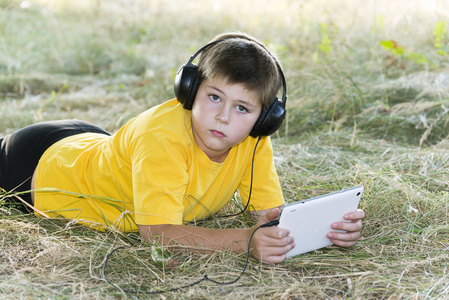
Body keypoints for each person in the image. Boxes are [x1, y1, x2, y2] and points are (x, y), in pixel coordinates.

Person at [0, 32, 365, 264]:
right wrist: (244, 243)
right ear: (190, 90)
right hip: (39, 165)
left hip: (93, 142)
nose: (223, 117)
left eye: (242, 108)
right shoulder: (162, 137)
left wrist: (324, 230)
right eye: (214, 97)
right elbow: (157, 232)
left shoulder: (254, 141)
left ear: (264, 118)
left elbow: (268, 213)